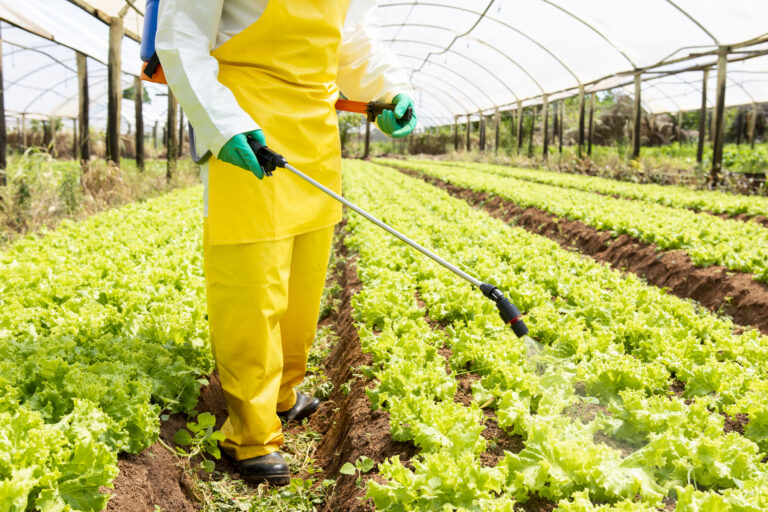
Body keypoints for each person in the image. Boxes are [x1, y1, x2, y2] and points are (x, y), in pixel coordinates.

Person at [155, 0, 416, 485]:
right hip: (246, 124)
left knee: (303, 282)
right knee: (253, 286)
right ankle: (250, 434)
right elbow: (181, 35)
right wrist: (223, 124)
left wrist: (390, 91)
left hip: (315, 131)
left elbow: (357, 40)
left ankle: (281, 394)